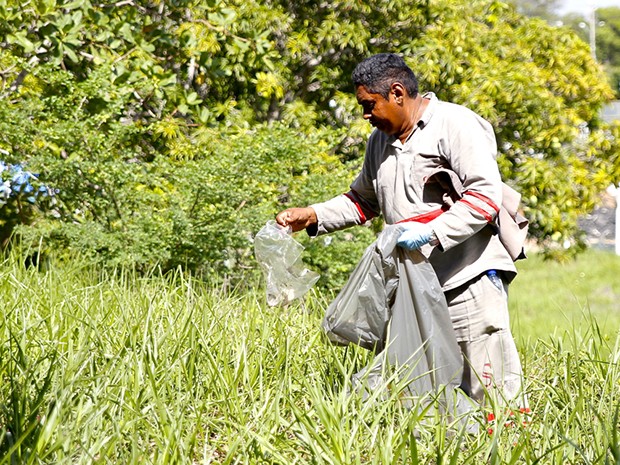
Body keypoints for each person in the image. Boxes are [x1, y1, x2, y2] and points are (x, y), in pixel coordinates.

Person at [276, 53, 526, 406]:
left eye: (368, 105)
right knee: (421, 388)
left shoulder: (457, 125)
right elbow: (363, 201)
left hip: (465, 279)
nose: (365, 116)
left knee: (488, 390)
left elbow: (485, 198)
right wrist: (313, 215)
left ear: (396, 93)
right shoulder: (381, 141)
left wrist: (431, 233)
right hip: (413, 289)